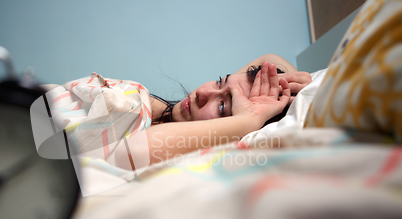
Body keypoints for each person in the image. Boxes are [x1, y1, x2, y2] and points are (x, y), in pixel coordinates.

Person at [117, 54, 313, 167]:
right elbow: (271, 58)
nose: (202, 92)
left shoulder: (167, 151)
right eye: (220, 82)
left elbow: (135, 150)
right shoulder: (158, 112)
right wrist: (295, 82)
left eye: (222, 106)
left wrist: (251, 118)